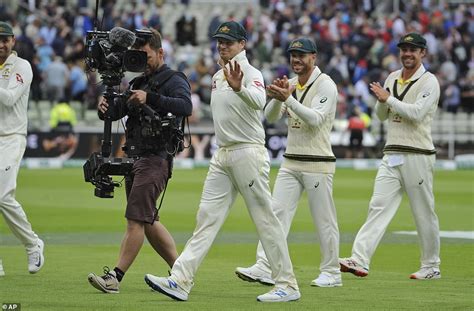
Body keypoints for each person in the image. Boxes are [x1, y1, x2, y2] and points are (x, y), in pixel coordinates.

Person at [144, 21, 300, 302]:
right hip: (223, 154)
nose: (222, 45)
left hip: (248, 153)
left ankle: (288, 285)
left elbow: (258, 102)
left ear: (243, 44)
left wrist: (240, 87)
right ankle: (180, 279)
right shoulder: (217, 76)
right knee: (206, 220)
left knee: (265, 219)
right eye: (220, 41)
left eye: (229, 41)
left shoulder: (250, 73)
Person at [87, 28, 192, 293]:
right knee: (148, 220)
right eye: (138, 55)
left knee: (136, 219)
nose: (143, 61)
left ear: (160, 52)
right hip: (135, 157)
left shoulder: (174, 78)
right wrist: (106, 108)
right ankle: (182, 272)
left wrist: (151, 98)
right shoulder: (136, 84)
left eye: (146, 55)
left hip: (156, 158)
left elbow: (186, 106)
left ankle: (115, 278)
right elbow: (116, 112)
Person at [235, 37, 342, 288]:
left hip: (318, 161)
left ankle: (332, 272)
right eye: (293, 55)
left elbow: (314, 120)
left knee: (323, 219)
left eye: (301, 55)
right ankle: (264, 265)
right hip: (291, 161)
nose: (296, 59)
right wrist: (276, 98)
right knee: (275, 215)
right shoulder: (291, 84)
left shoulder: (326, 84)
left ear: (313, 57)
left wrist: (288, 99)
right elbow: (271, 118)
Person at [339, 33, 442, 280]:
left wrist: (389, 99)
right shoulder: (392, 77)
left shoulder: (429, 81)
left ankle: (431, 266)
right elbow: (382, 115)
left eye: (413, 50)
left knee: (423, 212)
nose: (407, 53)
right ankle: (359, 258)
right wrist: (382, 101)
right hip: (392, 152)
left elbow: (416, 114)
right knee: (377, 207)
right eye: (404, 49)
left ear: (422, 53)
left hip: (417, 153)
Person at [0, 21, 45, 276]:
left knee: (3, 196)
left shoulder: (22, 67)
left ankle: (33, 244)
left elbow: (8, 99)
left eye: (5, 40)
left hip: (11, 136)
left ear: (13, 41)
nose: (0, 45)